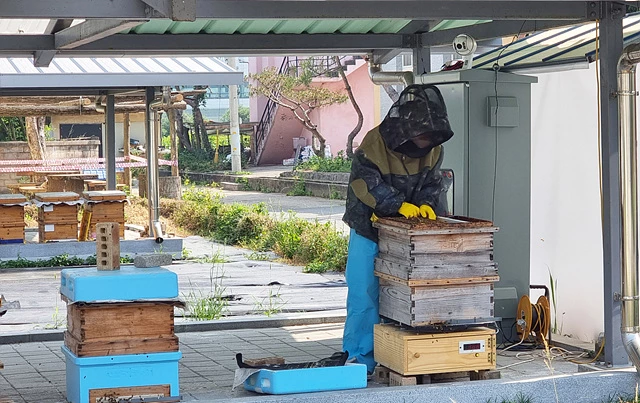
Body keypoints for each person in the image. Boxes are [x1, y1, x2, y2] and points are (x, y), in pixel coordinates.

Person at [341, 84, 454, 373]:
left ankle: (396, 356)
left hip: (407, 233)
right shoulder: (374, 143)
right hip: (369, 226)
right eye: (422, 135)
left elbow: (433, 182)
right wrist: (396, 204)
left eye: (430, 136)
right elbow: (364, 184)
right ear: (407, 128)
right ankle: (359, 359)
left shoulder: (434, 149)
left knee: (405, 295)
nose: (426, 142)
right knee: (365, 292)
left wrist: (427, 203)